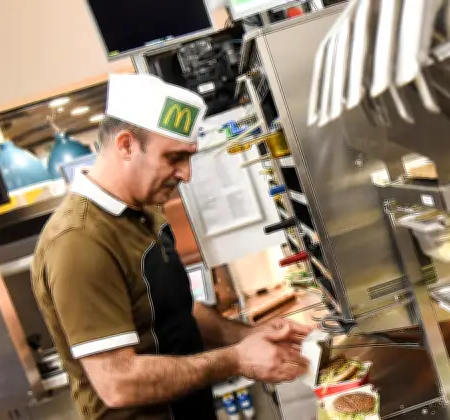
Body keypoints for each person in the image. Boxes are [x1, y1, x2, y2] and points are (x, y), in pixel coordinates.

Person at [32, 74, 310, 420]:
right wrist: (237, 359)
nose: (186, 174)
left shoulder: (145, 213)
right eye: (174, 157)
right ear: (126, 145)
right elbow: (117, 383)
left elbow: (176, 310)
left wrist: (245, 336)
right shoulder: (79, 240)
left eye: (188, 158)